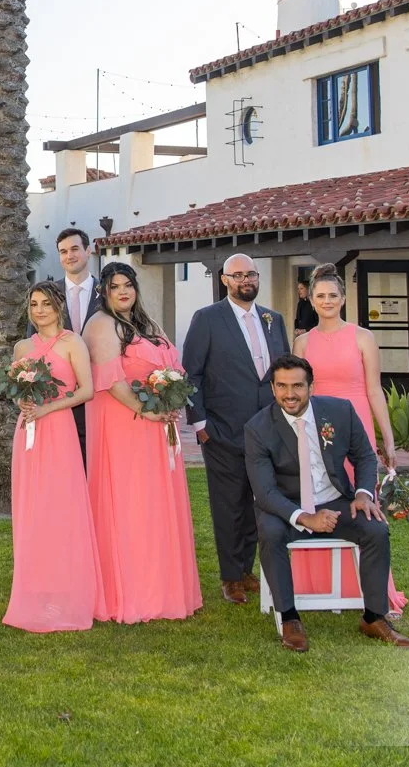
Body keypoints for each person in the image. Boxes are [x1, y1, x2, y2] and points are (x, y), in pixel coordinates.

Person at [244, 356, 409, 653]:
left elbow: (364, 456)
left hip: (336, 501)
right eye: (282, 386)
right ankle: (289, 618)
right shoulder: (258, 428)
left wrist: (363, 493)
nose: (290, 394)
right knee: (271, 533)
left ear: (311, 386)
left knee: (375, 529)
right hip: (285, 506)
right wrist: (304, 518)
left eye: (298, 385)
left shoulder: (340, 412)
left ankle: (374, 618)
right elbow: (264, 492)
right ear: (272, 388)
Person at [84, 263, 203, 624]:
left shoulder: (147, 323)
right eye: (114, 286)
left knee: (157, 505)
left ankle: (165, 588)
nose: (123, 292)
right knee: (131, 506)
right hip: (124, 426)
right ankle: (131, 594)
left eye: (128, 285)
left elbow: (174, 367)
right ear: (103, 291)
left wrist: (172, 399)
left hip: (156, 427)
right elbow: (112, 380)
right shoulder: (101, 325)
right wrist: (145, 411)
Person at [293, 262, 406, 619]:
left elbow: (374, 389)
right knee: (320, 502)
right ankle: (320, 586)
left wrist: (387, 439)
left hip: (356, 427)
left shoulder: (362, 337)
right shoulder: (302, 341)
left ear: (343, 298)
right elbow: (296, 392)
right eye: (320, 296)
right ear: (311, 300)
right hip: (316, 431)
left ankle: (376, 591)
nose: (327, 301)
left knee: (363, 504)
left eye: (333, 295)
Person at [181, 252, 290, 605]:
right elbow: (191, 373)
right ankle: (230, 577)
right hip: (223, 430)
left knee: (261, 502)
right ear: (225, 280)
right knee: (230, 506)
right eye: (238, 275)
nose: (246, 280)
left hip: (268, 431)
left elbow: (283, 372)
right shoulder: (208, 319)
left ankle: (247, 569)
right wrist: (200, 423)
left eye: (251, 274)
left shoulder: (274, 319)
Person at [3, 281, 98, 633]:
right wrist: (23, 402)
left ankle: (66, 591)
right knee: (32, 509)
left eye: (46, 303)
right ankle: (35, 590)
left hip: (58, 431)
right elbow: (16, 389)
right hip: (27, 433)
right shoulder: (22, 346)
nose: (39, 309)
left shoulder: (73, 342)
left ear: (59, 305)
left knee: (61, 508)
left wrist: (49, 409)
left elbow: (86, 390)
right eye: (34, 303)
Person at [56, 227, 98, 458]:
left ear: (88, 251)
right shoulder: (47, 297)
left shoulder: (109, 293)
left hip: (103, 393)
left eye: (74, 249)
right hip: (61, 399)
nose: (69, 256)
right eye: (63, 251)